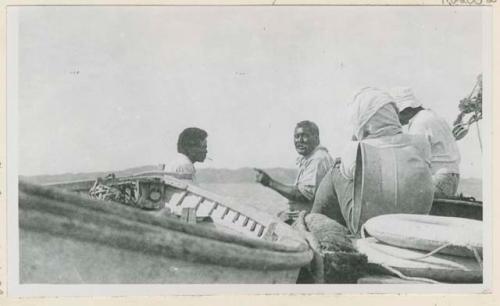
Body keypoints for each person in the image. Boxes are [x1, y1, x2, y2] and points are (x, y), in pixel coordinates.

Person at [311, 87, 434, 235]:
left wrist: (356, 140)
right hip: (413, 225)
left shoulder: (356, 149)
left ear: (365, 123)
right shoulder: (420, 143)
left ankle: (314, 220)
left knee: (337, 169)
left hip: (369, 227)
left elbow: (348, 172)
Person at [255, 121, 335, 220]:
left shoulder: (318, 159)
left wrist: (270, 183)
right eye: (296, 136)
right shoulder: (311, 158)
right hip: (306, 217)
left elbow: (303, 195)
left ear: (316, 138)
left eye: (304, 136)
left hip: (314, 220)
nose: (299, 140)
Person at [390, 87, 461, 198]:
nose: (397, 120)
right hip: (451, 176)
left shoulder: (419, 123)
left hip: (438, 177)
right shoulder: (433, 116)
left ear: (407, 110)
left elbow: (416, 159)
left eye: (397, 115)